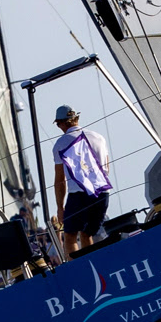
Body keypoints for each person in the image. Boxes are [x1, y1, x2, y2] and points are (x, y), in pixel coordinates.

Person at [51, 105, 113, 253]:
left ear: (62, 123)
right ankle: (91, 262)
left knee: (70, 235)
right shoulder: (98, 137)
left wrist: (60, 207)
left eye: (58, 124)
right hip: (102, 192)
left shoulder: (60, 144)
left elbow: (60, 180)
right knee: (87, 233)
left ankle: (77, 265)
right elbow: (107, 168)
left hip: (79, 194)